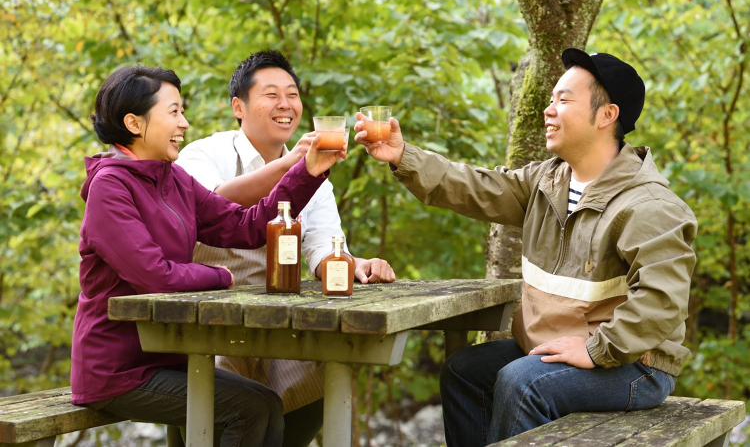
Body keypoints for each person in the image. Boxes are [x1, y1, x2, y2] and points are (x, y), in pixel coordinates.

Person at [354, 49, 697, 446]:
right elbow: (476, 187)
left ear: (607, 116)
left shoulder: (648, 205)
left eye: (564, 100)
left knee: (522, 382)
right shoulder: (546, 182)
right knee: (463, 371)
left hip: (634, 362)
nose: (549, 110)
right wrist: (402, 156)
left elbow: (662, 301)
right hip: (555, 346)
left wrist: (598, 349)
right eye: (550, 99)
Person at [71, 64, 344, 447]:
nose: (184, 123)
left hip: (168, 357)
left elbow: (248, 225)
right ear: (134, 123)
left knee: (267, 402)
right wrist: (221, 276)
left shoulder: (173, 179)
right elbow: (156, 276)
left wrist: (309, 172)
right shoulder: (110, 186)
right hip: (120, 370)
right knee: (245, 409)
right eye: (174, 112)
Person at [176, 49, 396, 446]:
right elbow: (211, 206)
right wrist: (292, 168)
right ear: (238, 106)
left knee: (325, 372)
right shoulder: (205, 154)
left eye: (292, 95)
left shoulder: (316, 177)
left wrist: (354, 264)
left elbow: (321, 251)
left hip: (281, 325)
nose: (285, 105)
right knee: (228, 402)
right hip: (208, 324)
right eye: (271, 94)